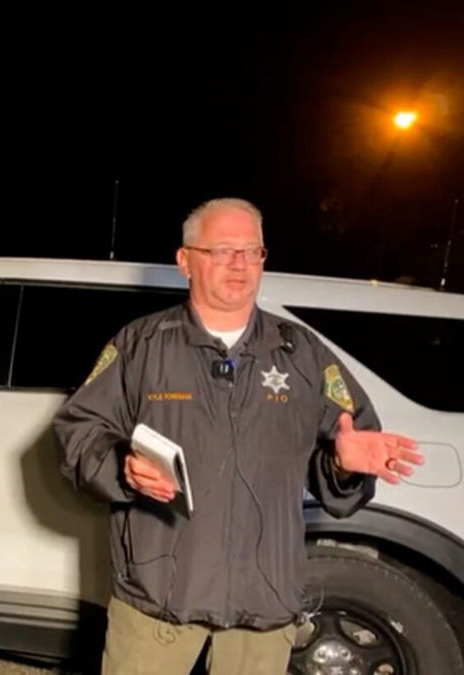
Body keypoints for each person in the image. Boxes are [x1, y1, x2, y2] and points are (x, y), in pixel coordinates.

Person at [53, 198, 424, 675]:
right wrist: (123, 466)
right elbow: (78, 432)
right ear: (185, 260)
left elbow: (344, 460)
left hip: (262, 608)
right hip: (159, 597)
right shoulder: (140, 346)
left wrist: (343, 465)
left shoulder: (302, 354)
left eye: (253, 251)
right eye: (223, 250)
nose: (240, 265)